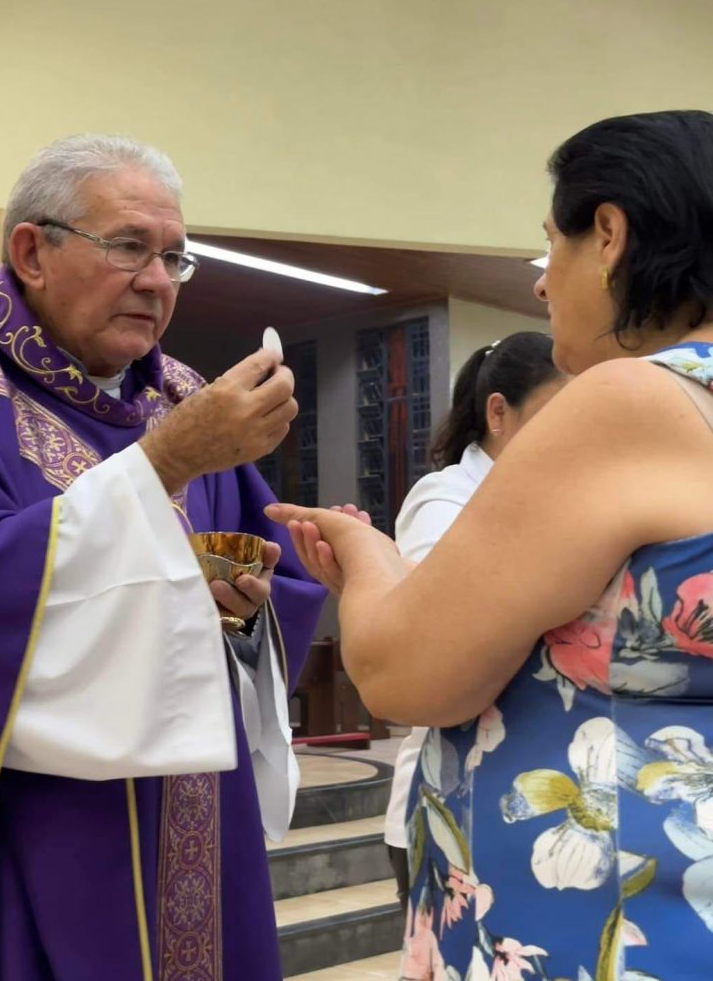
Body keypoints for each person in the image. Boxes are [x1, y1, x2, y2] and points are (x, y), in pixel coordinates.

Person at [267, 110, 713, 980]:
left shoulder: (635, 401)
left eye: (551, 246)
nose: (543, 285)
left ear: (610, 234)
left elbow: (411, 675)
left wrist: (367, 560)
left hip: (609, 923)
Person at [0, 134, 325, 981]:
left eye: (174, 258)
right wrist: (162, 463)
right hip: (43, 823)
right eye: (129, 246)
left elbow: (259, 578)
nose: (158, 281)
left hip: (201, 816)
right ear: (32, 253)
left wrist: (247, 610)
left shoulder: (188, 398)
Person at [384, 332, 565, 916]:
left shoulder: (551, 498)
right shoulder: (444, 498)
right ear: (498, 413)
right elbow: (449, 632)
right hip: (452, 796)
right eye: (555, 415)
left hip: (524, 787)